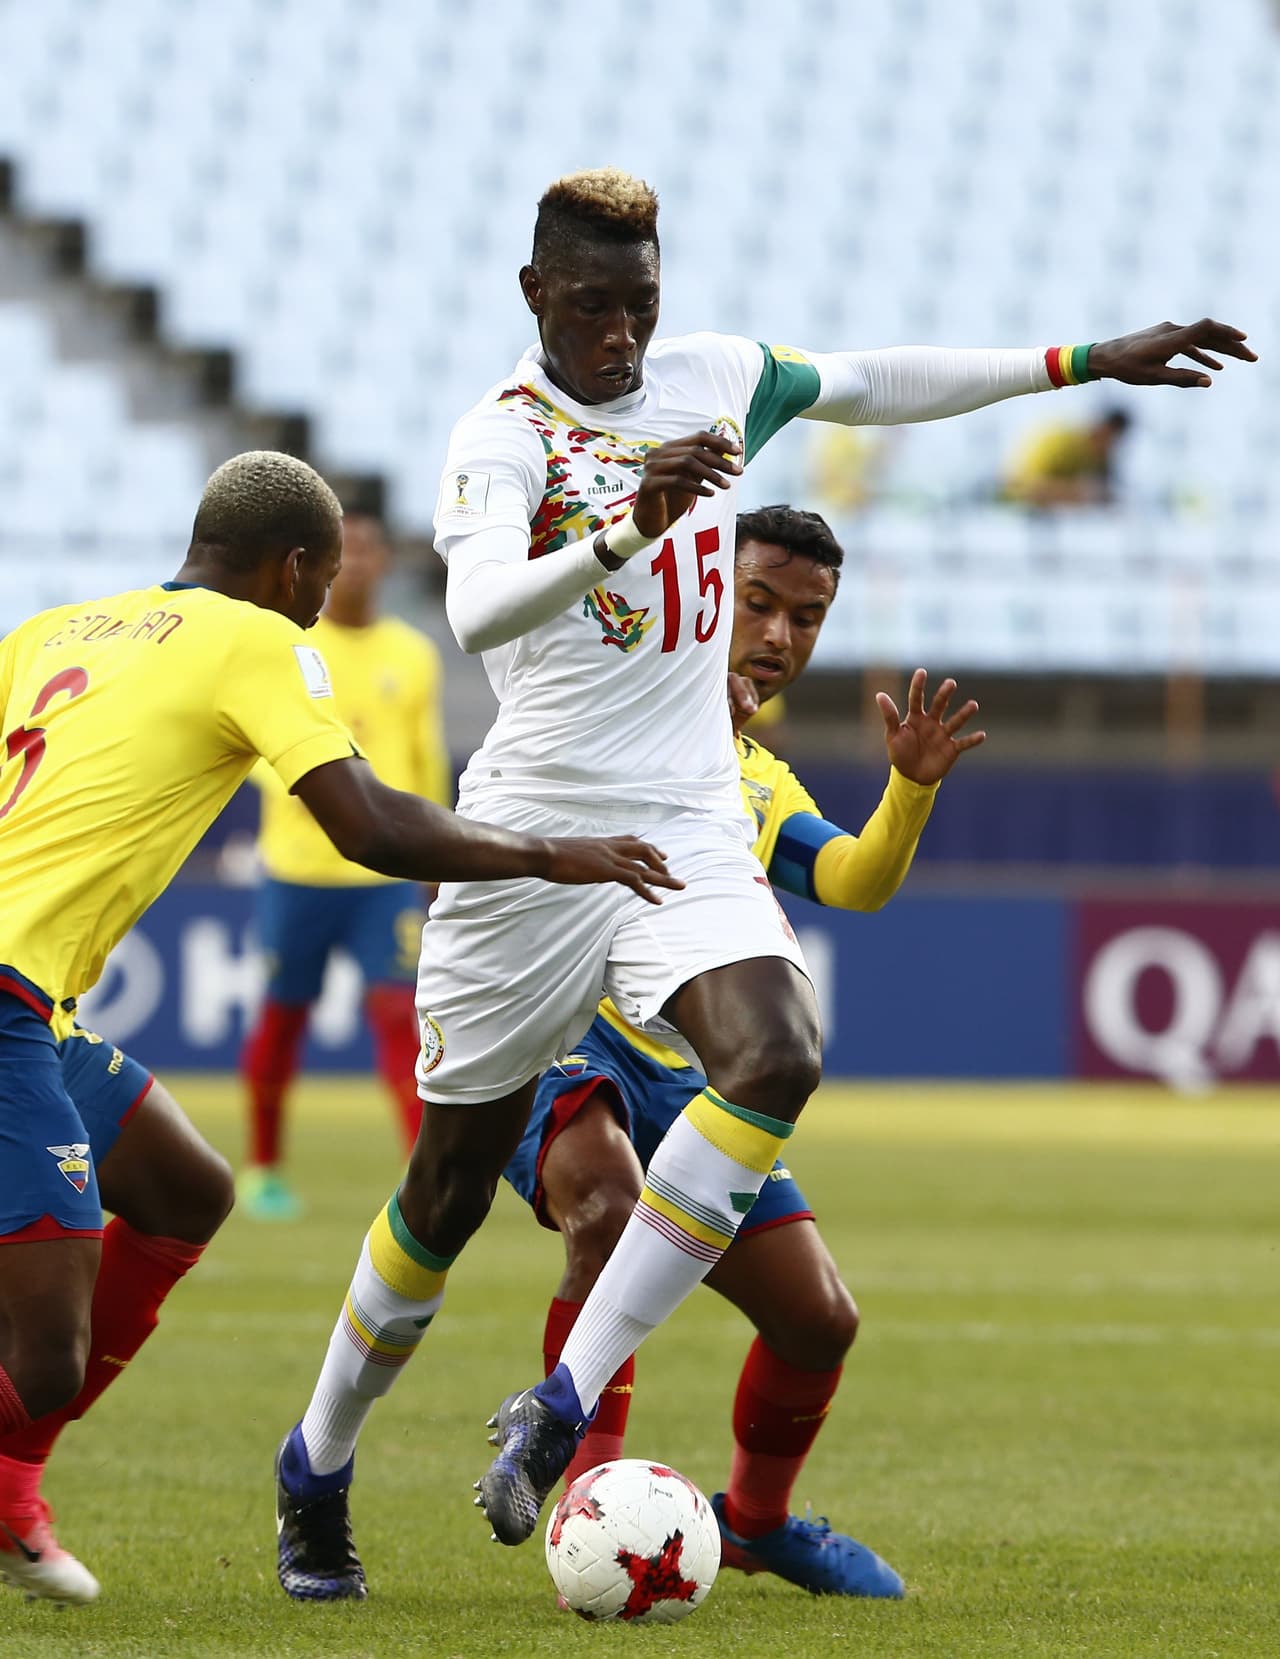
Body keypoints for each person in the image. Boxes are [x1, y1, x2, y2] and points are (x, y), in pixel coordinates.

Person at [272, 166, 1254, 1602]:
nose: (620, 333)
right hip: (535, 833)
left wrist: (1083, 359)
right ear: (536, 293)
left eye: (640, 302)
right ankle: (316, 1461)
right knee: (444, 1189)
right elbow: (476, 607)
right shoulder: (503, 437)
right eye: (591, 305)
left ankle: (562, 1401)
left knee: (777, 1049)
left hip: (681, 818)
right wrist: (627, 523)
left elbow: (875, 382)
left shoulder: (718, 379)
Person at [0, 450, 677, 1606]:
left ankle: (12, 1489)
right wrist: (548, 852)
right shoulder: (258, 640)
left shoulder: (53, 629)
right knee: (45, 1356)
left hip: (35, 1002)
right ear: (292, 565)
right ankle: (11, 1478)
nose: (324, 602)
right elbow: (364, 823)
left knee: (184, 1189)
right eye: (321, 579)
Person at [504, 503, 981, 1599]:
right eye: (757, 603)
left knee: (818, 1319)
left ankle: (756, 1524)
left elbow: (852, 880)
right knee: (603, 1212)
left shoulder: (759, 780)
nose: (777, 636)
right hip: (562, 1037)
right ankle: (586, 1503)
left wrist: (909, 789)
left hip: (687, 1078)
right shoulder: (593, 708)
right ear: (704, 593)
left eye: (805, 618)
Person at [239, 510, 451, 1220]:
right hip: (297, 869)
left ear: (385, 562)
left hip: (380, 873)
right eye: (344, 551)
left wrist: (433, 850)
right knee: (283, 1019)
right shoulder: (288, 644)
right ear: (320, 564)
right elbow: (258, 754)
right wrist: (315, 791)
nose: (356, 563)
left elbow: (424, 757)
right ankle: (264, 1168)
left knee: (398, 1018)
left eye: (367, 550)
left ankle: (423, 1182)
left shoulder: (412, 653)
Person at [1001, 406, 1133, 508]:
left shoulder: (1097, 458)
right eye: (1114, 441)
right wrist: (1085, 494)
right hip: (1014, 503)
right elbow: (1027, 487)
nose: (1114, 449)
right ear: (1104, 431)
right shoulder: (1061, 443)